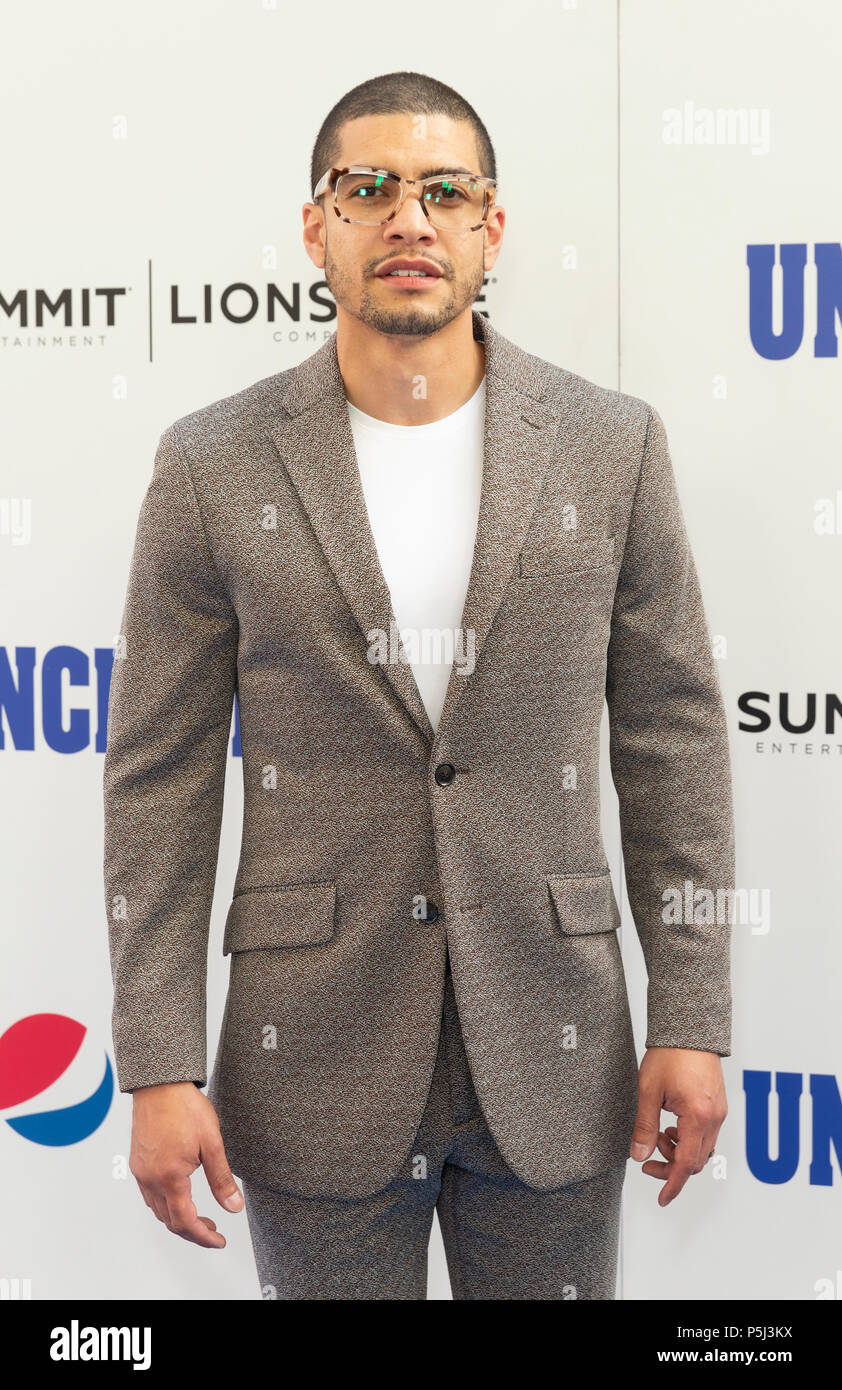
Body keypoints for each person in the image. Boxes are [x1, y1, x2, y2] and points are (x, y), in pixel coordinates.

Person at [103, 70, 734, 1301]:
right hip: (311, 1059)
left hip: (554, 1046)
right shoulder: (210, 464)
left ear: (490, 228)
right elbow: (157, 778)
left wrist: (691, 1013)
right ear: (314, 224)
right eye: (369, 187)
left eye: (445, 191)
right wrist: (157, 1060)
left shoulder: (612, 448)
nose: (409, 219)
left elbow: (673, 740)